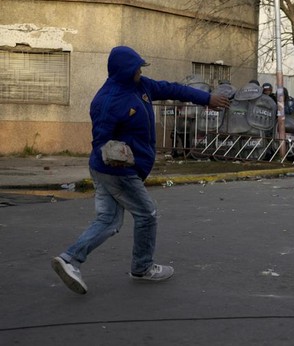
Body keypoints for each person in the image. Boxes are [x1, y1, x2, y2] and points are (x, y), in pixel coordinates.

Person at [51, 46, 231, 294]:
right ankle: (143, 268)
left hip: (113, 171)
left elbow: (172, 89)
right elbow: (100, 141)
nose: (140, 70)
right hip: (116, 172)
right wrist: (111, 152)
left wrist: (207, 99)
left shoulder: (141, 86)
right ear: (124, 70)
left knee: (108, 220)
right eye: (136, 67)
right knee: (147, 214)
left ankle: (70, 259)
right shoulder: (108, 101)